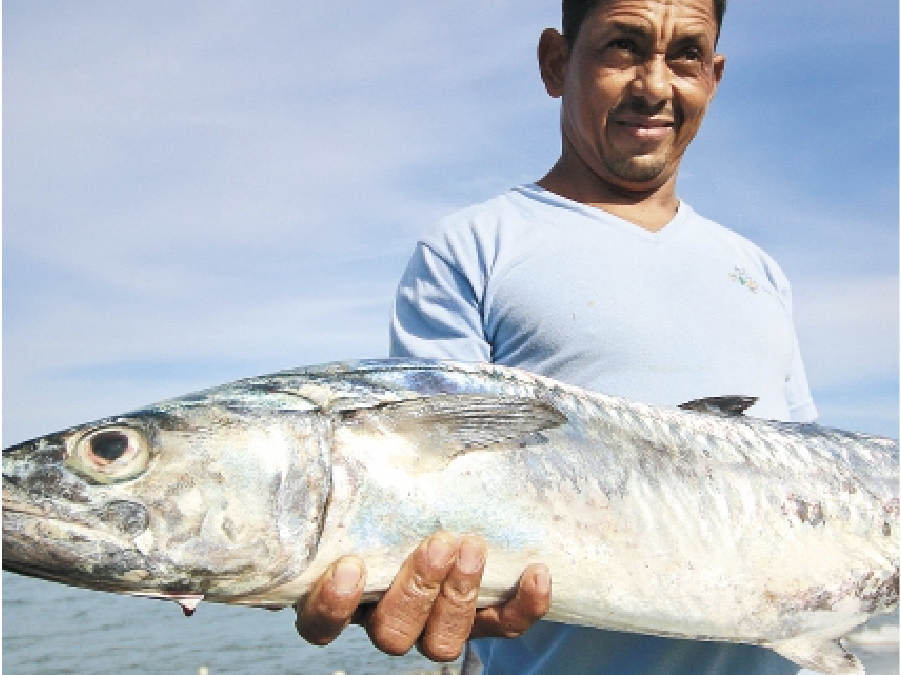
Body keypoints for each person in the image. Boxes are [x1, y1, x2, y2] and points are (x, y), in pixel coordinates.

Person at [296, 0, 818, 673]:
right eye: (622, 47)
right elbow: (422, 487)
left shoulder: (759, 269)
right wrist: (378, 570)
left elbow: (811, 481)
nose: (655, 86)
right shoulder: (471, 249)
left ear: (712, 76)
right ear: (554, 62)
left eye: (684, 54)